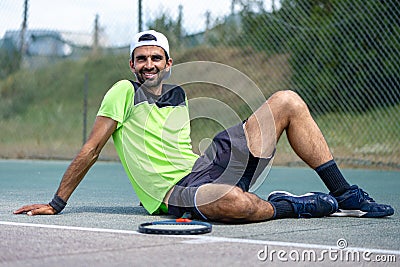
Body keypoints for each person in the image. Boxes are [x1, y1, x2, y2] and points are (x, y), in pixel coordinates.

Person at [14, 30, 394, 222]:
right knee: (229, 200)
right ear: (131, 65)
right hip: (174, 195)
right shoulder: (122, 92)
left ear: (168, 63)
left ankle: (345, 194)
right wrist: (56, 203)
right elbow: (91, 149)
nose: (149, 64)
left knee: (287, 101)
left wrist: (223, 160)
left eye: (156, 58)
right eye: (141, 58)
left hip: (204, 165)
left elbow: (176, 148)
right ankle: (288, 206)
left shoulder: (178, 96)